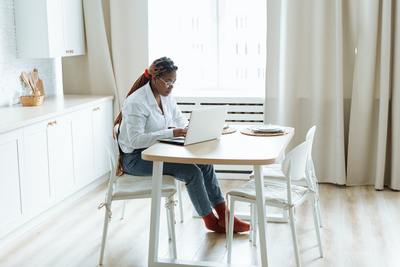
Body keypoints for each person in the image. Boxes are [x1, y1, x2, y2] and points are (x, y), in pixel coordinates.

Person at [114, 57, 249, 233]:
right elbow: (135, 140)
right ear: (155, 78)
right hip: (135, 159)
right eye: (168, 82)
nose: (171, 86)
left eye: (174, 82)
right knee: (191, 171)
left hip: (158, 150)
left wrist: (195, 129)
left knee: (205, 164)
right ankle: (209, 220)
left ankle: (224, 215)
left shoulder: (166, 97)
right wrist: (172, 133)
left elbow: (181, 121)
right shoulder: (136, 102)